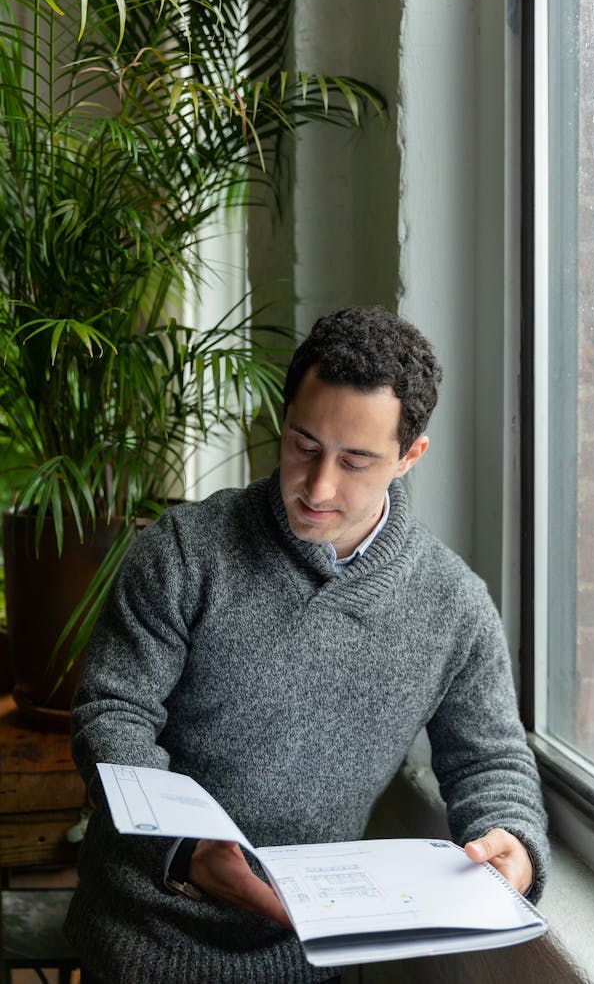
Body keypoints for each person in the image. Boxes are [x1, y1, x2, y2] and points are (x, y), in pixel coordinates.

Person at [65, 306, 549, 984]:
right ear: (284, 418)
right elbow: (111, 714)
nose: (319, 487)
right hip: (145, 936)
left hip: (307, 954)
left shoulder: (453, 604)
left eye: (356, 461)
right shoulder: (182, 551)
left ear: (411, 456)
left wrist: (515, 846)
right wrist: (186, 849)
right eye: (303, 444)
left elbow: (492, 759)